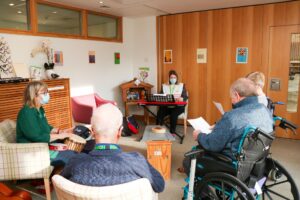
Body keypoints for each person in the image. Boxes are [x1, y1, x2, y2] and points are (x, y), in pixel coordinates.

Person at [60, 103, 165, 193]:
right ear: (120, 131)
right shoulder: (136, 160)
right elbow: (159, 185)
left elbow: (61, 181)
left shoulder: (75, 162)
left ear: (92, 131)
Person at [192, 78, 273, 160]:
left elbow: (213, 144)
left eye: (231, 98)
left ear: (237, 95)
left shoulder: (232, 116)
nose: (232, 101)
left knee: (190, 159)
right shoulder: (265, 110)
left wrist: (199, 136)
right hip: (258, 157)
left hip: (234, 159)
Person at [16, 81, 76, 166]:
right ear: (34, 95)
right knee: (73, 156)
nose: (47, 95)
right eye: (44, 93)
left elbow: (46, 127)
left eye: (47, 92)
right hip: (33, 151)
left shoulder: (39, 109)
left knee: (75, 151)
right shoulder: (26, 112)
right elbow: (37, 137)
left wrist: (60, 131)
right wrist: (60, 136)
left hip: (42, 146)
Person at [156, 70, 188, 134]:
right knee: (160, 112)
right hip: (167, 106)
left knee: (173, 115)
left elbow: (185, 97)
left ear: (177, 78)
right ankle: (158, 129)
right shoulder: (164, 86)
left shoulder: (181, 85)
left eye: (174, 77)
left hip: (178, 107)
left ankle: (172, 132)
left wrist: (181, 98)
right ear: (169, 78)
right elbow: (160, 95)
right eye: (171, 77)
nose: (173, 79)